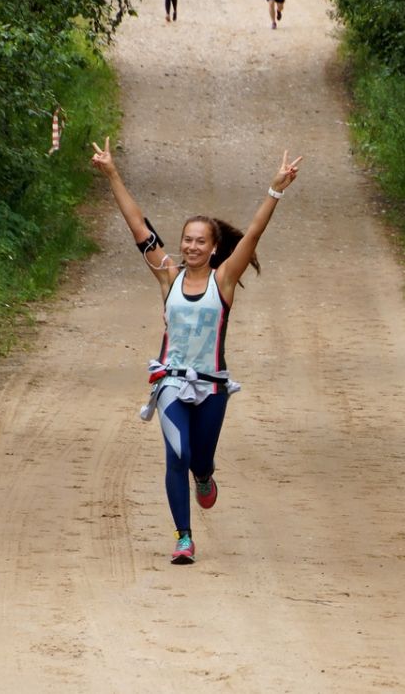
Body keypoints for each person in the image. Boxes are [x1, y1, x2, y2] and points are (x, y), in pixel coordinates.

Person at [90, 137, 303, 564]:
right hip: (169, 380)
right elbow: (139, 228)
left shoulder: (223, 281)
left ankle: (205, 476)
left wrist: (275, 189)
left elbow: (255, 232)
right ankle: (183, 537)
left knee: (200, 459)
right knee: (177, 453)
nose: (190, 247)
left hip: (212, 388)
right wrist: (112, 173)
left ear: (214, 247)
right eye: (186, 240)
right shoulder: (167, 275)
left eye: (199, 242)